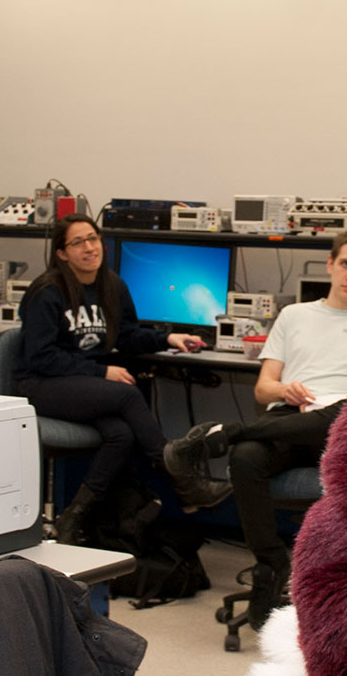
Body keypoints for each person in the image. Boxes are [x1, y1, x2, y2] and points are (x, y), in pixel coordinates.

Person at [161, 228, 347, 625]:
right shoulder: (294, 315)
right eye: (346, 264)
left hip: (343, 427)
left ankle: (224, 434)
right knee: (246, 459)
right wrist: (287, 389)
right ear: (331, 265)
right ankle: (271, 564)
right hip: (288, 418)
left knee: (344, 411)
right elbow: (264, 391)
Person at [15, 214, 205, 544]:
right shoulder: (47, 292)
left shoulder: (111, 285)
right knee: (129, 395)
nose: (90, 248)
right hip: (41, 384)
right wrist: (102, 372)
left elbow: (127, 335)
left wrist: (168, 339)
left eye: (93, 239)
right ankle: (182, 479)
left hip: (84, 386)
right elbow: (41, 357)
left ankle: (72, 519)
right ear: (61, 253)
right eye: (78, 242)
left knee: (121, 434)